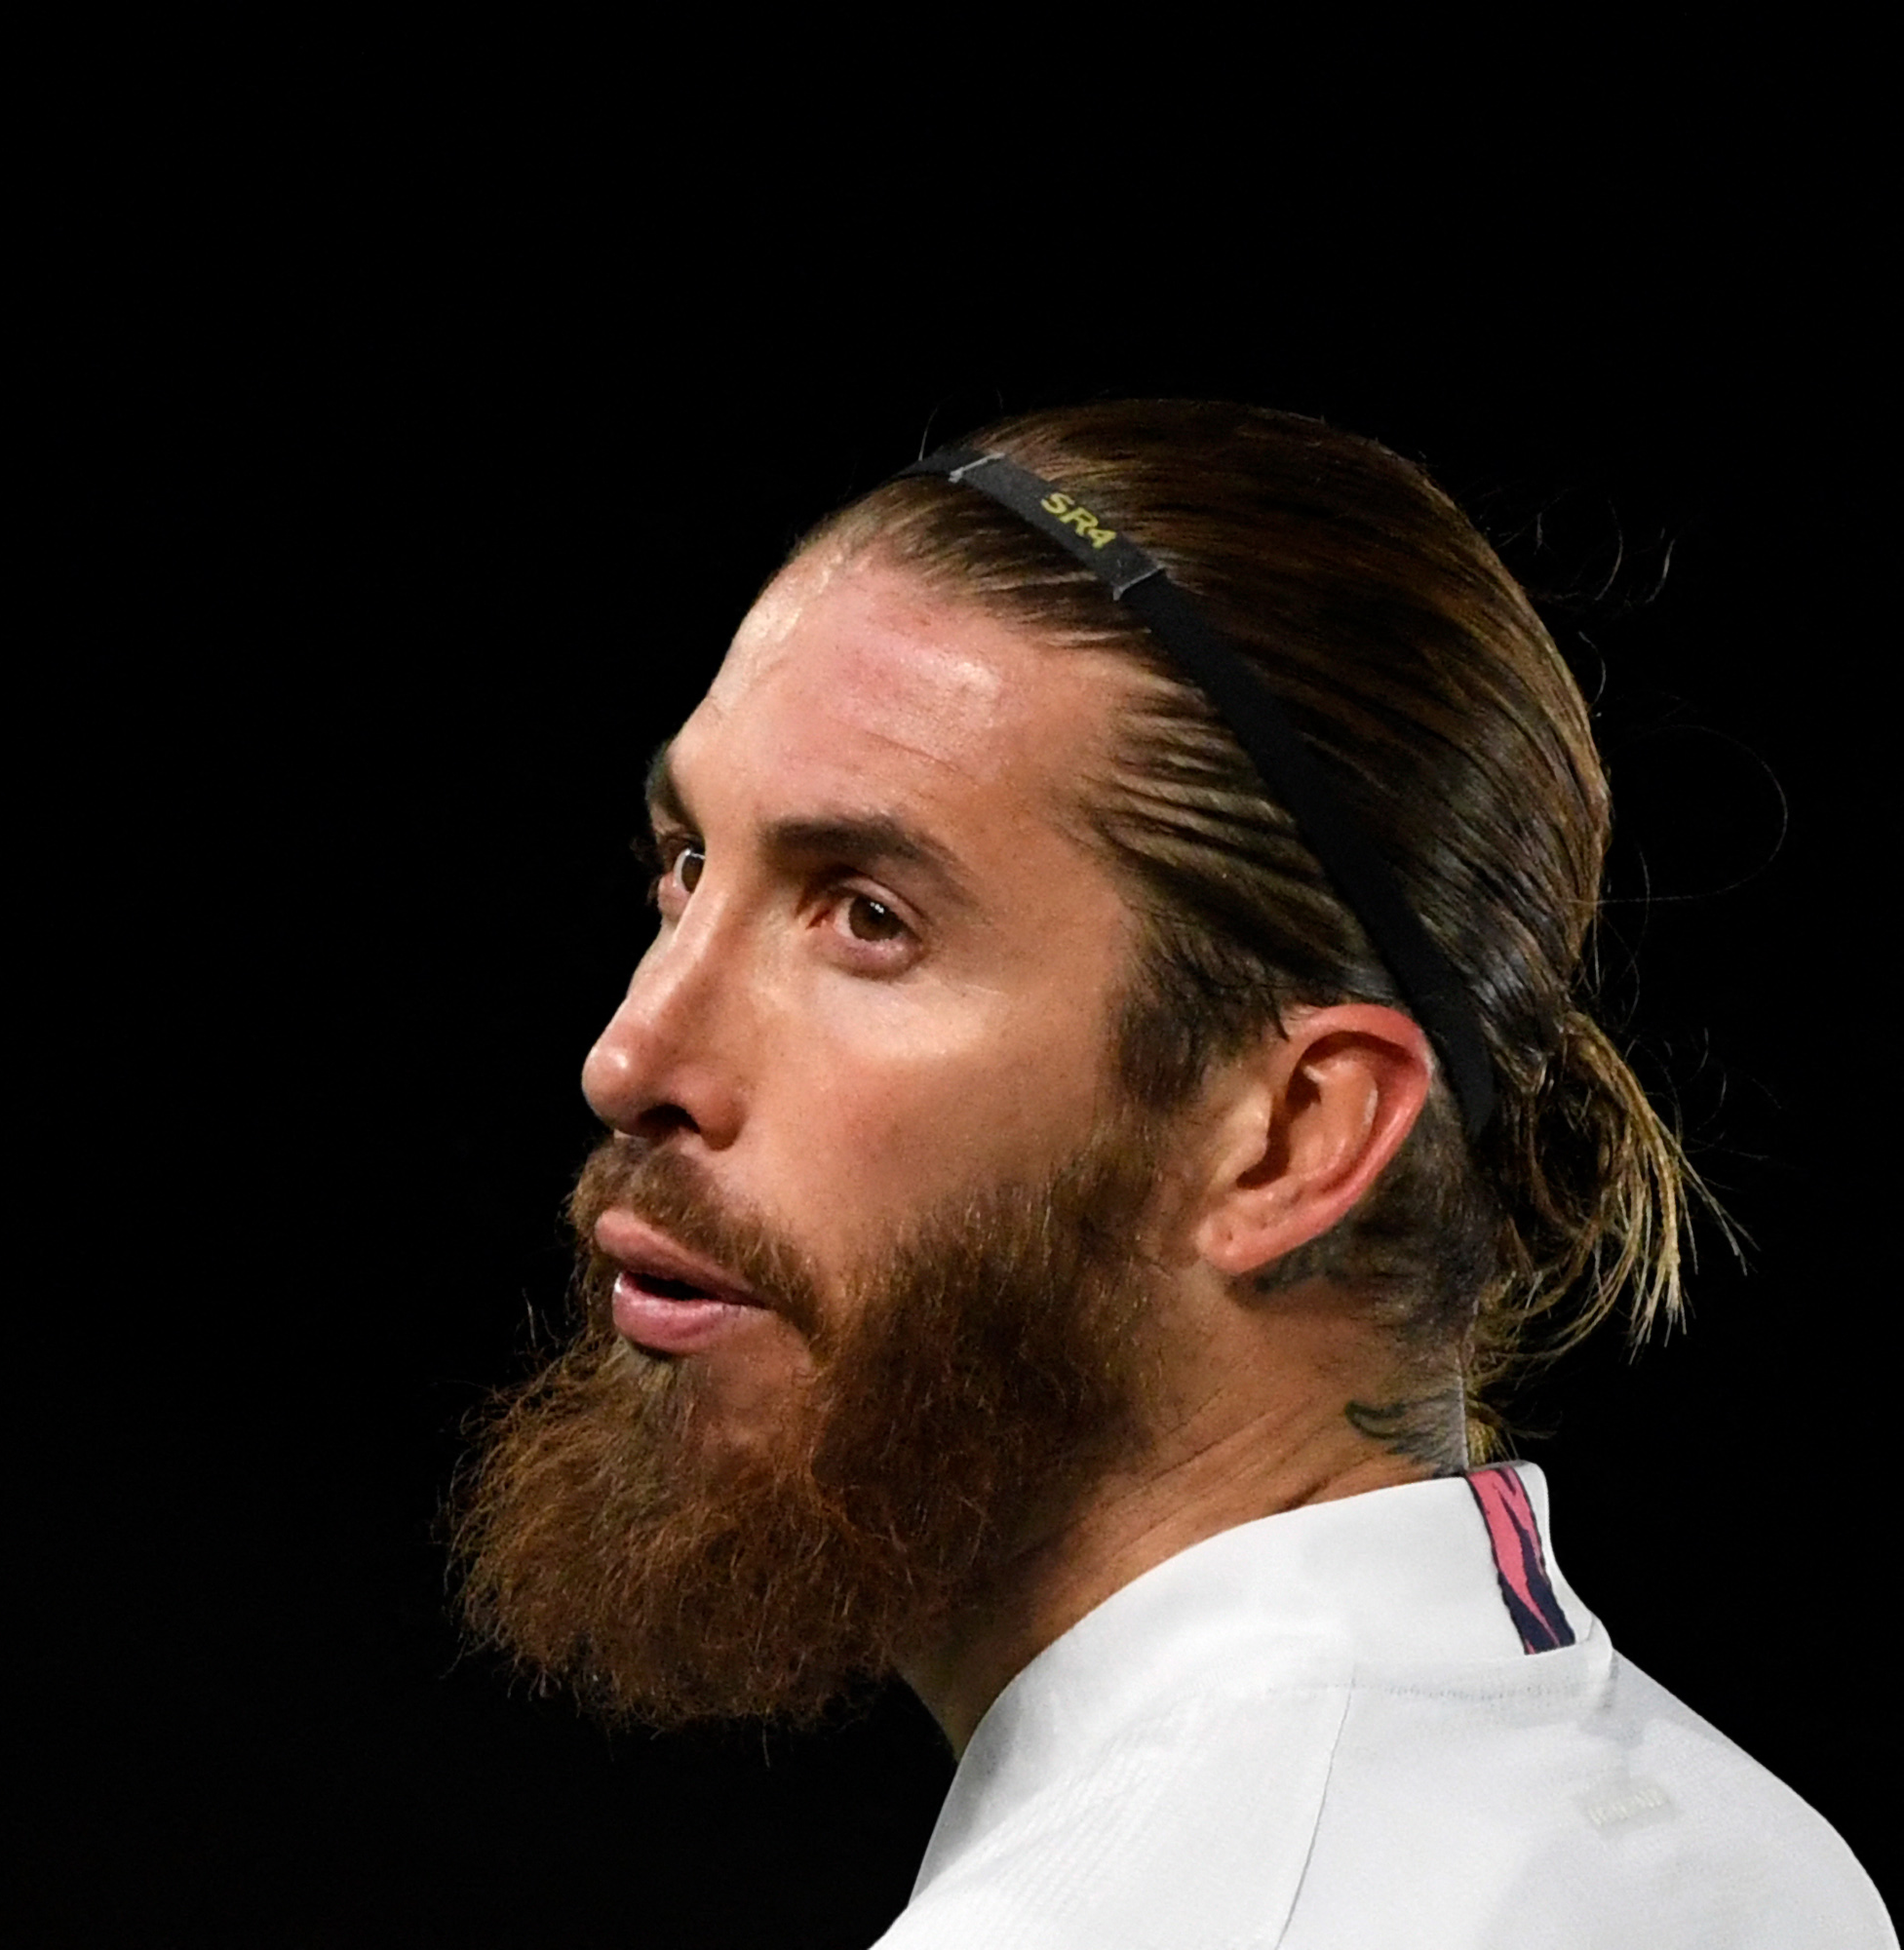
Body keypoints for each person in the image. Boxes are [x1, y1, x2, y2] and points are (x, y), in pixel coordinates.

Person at [452, 401, 1892, 1947]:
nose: (631, 1056)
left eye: (868, 916)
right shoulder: (1739, 1851)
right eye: (685, 867)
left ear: (1291, 1135)